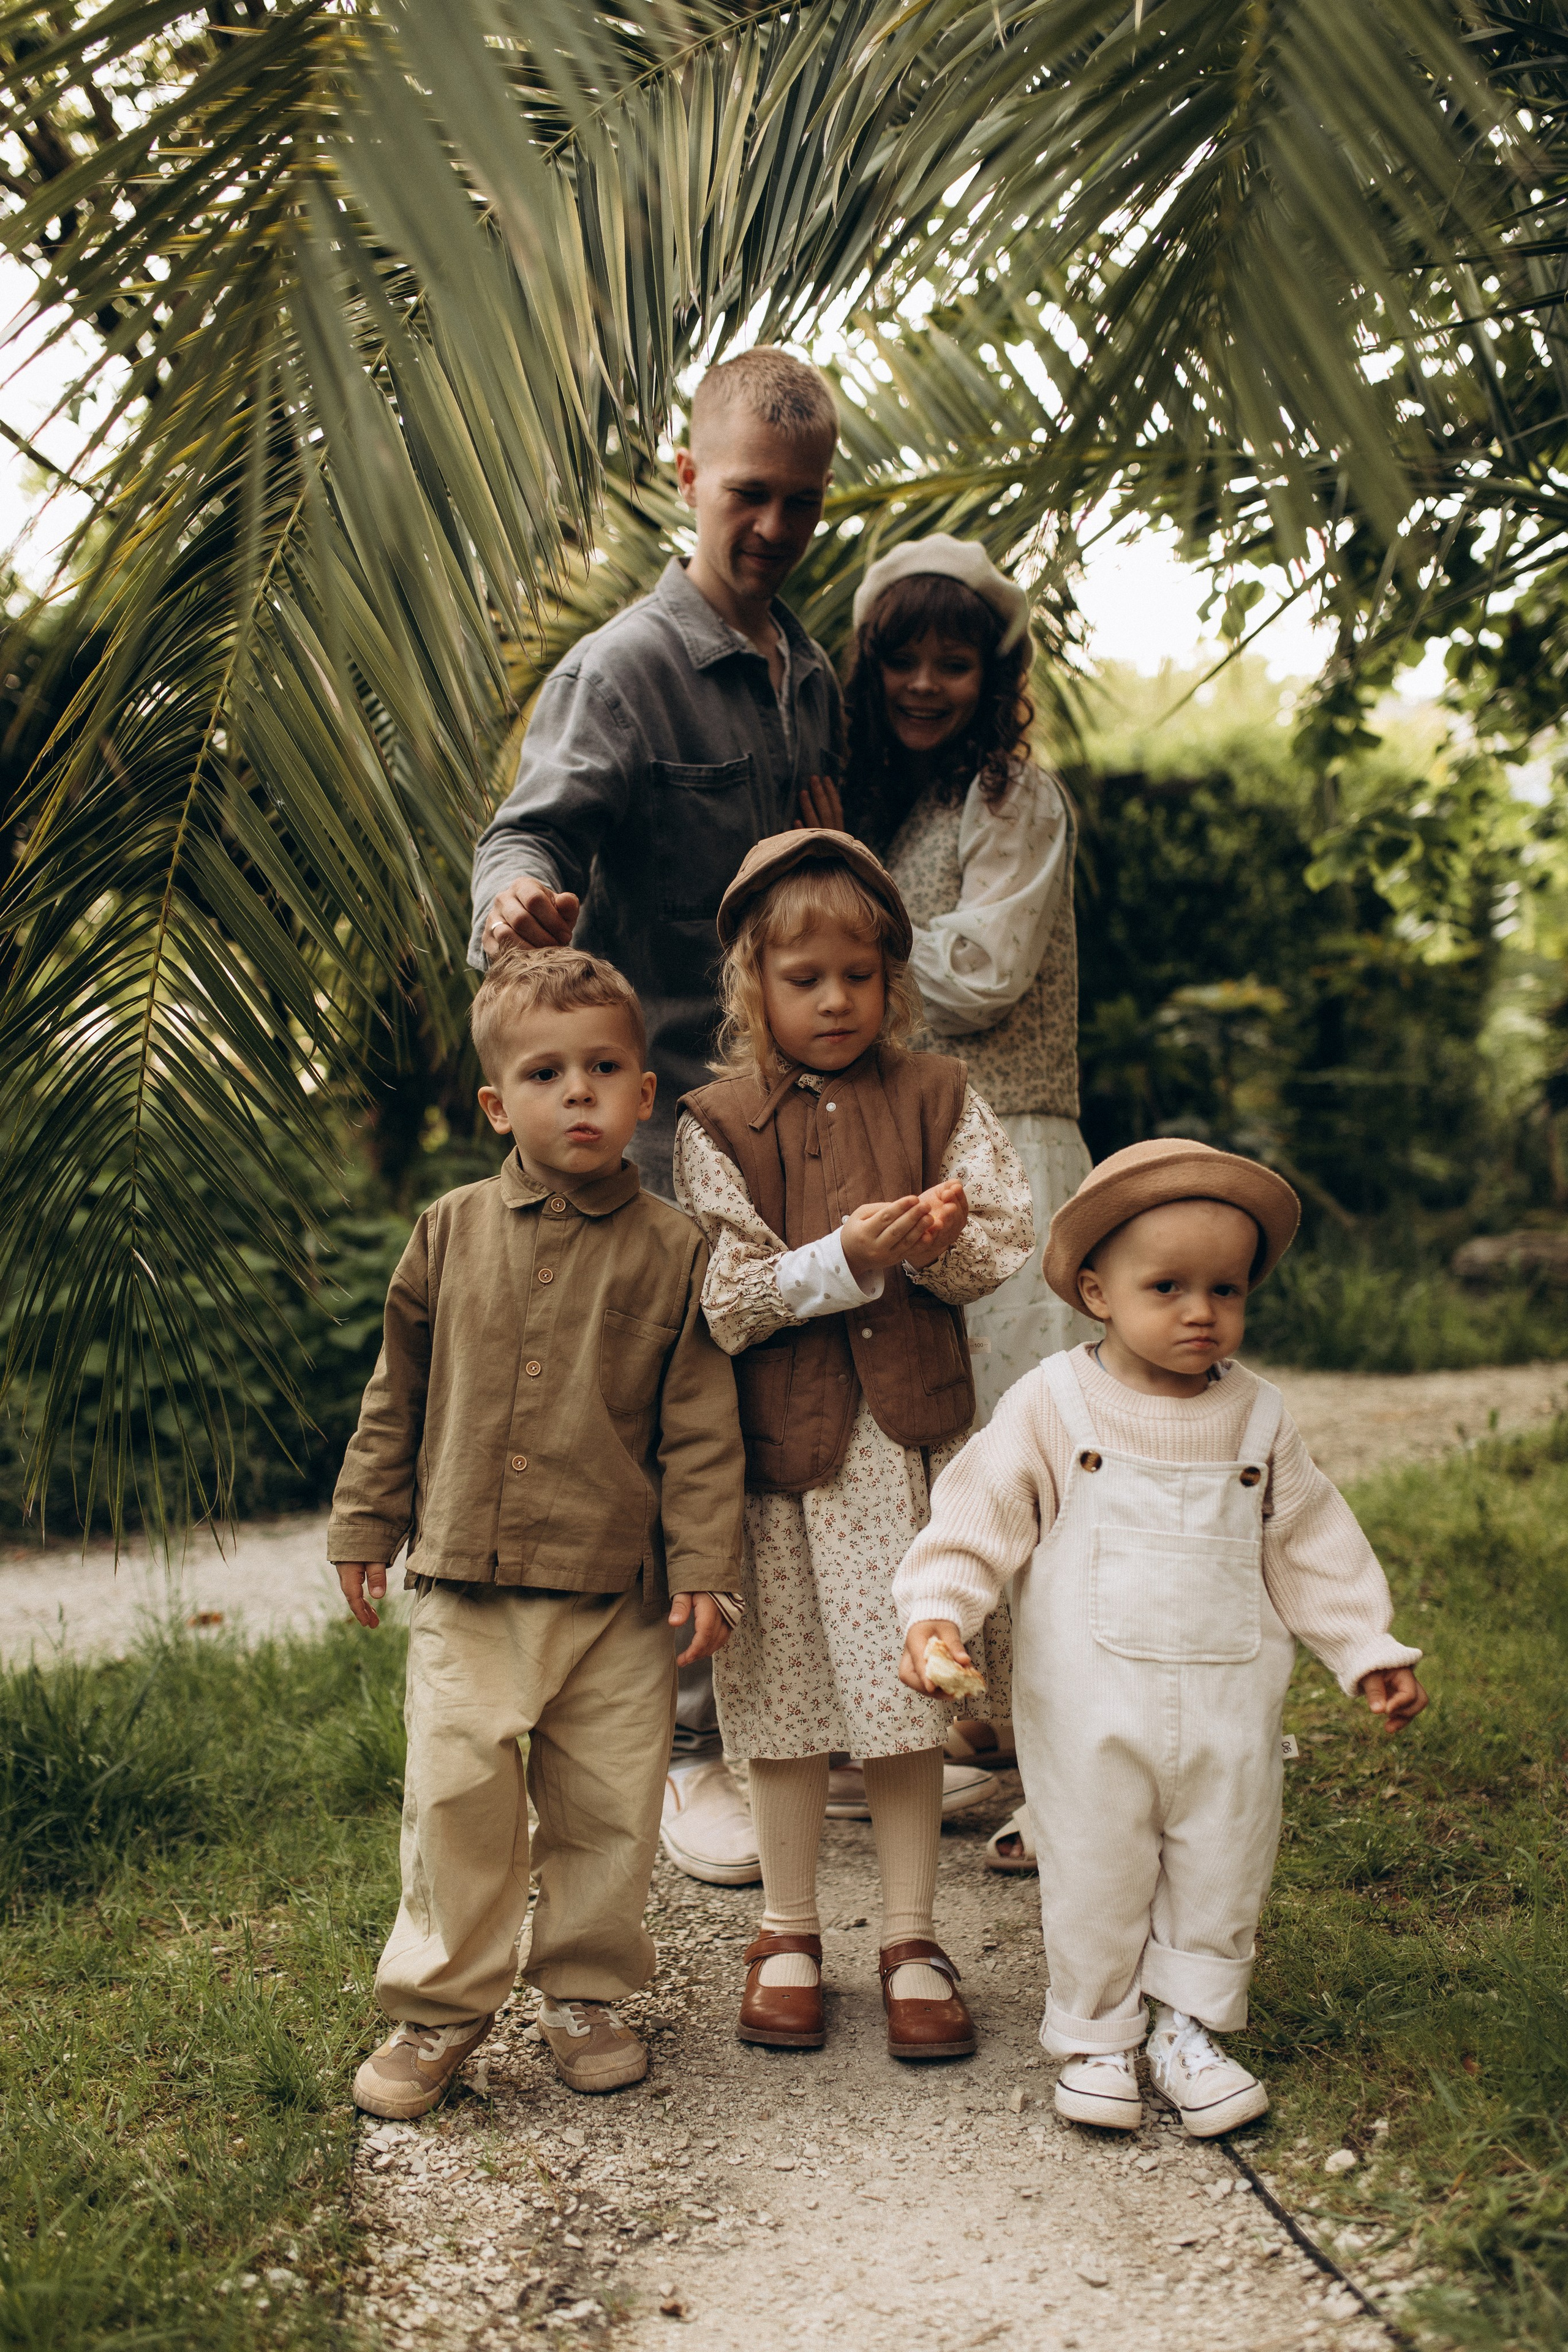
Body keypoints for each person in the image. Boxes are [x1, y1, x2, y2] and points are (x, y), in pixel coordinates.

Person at [469, 346, 842, 1888]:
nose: (770, 527)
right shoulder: (622, 667)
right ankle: (683, 1755)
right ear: (686, 478)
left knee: (776, 1437)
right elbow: (528, 829)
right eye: (748, 494)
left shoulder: (808, 674)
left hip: (789, 1123)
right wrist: (517, 910)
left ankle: (784, 1723)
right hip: (661, 1129)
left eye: (799, 505)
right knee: (663, 1442)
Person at [894, 1138, 1427, 2133]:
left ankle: (1188, 2028)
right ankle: (1098, 2034)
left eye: (1226, 1290)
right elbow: (976, 1518)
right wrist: (939, 1613)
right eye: (1168, 1286)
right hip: (1090, 1702)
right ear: (1098, 1291)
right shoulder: (1054, 1403)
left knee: (1224, 1859)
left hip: (1230, 1699)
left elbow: (1310, 1542)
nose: (1201, 1312)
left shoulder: (1258, 1417)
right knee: (1098, 1864)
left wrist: (1367, 1649)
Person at [329, 947, 746, 2119]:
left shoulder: (678, 1253)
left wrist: (707, 1564)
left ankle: (590, 1991)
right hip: (468, 1584)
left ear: (643, 1095)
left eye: (605, 1068)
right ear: (494, 1103)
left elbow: (700, 1431)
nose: (579, 1093)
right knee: (457, 1795)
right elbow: (394, 1394)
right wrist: (367, 1518)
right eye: (547, 1072)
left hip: (617, 1600)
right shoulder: (447, 1231)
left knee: (607, 1807)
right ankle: (441, 2007)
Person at [674, 830, 1036, 2059]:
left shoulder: (938, 1097)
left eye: (856, 976)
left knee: (902, 1702)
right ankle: (784, 1929)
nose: (833, 1001)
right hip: (785, 1461)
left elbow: (1003, 1238)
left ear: (892, 979)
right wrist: (845, 1262)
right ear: (752, 989)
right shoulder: (714, 1122)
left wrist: (935, 1243)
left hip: (901, 1455)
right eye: (802, 979)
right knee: (777, 1703)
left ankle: (909, 1932)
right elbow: (723, 1300)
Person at [826, 532, 1096, 1812]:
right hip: (917, 1155)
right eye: (903, 661)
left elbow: (981, 976)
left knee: (1029, 1445)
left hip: (1012, 1150)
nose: (926, 685)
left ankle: (1068, 1755)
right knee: (938, 1448)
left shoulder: (1010, 800)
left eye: (953, 662)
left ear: (991, 675)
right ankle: (982, 1727)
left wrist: (854, 899)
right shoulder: (890, 805)